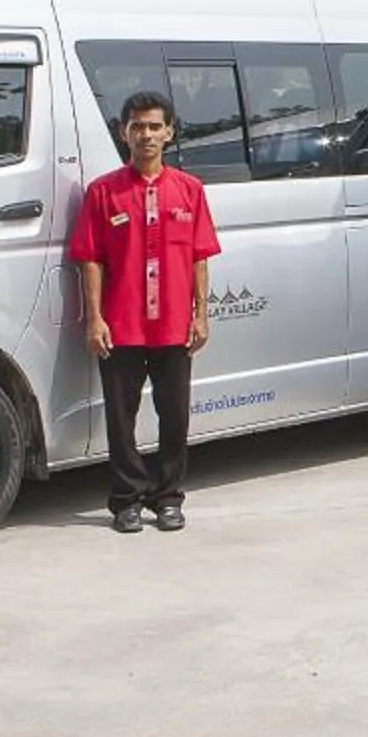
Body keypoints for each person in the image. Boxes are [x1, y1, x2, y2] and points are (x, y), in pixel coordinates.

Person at [70, 92, 221, 531]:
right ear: (124, 133)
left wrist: (201, 314)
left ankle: (168, 498)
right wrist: (95, 318)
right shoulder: (103, 193)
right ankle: (126, 500)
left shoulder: (189, 190)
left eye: (155, 126)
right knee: (121, 419)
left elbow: (199, 256)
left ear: (169, 132)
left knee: (175, 416)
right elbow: (90, 258)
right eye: (137, 127)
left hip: (174, 326)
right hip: (121, 327)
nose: (147, 135)